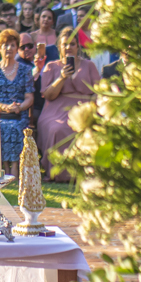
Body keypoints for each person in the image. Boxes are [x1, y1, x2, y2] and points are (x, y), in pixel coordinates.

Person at [35, 27, 100, 182]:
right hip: (56, 108)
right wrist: (62, 77)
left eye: (72, 44)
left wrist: (93, 104)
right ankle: (57, 173)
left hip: (84, 106)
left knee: (87, 128)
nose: (68, 47)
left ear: (78, 46)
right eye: (65, 44)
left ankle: (84, 173)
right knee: (57, 128)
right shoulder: (51, 66)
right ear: (59, 47)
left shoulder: (89, 65)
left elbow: (98, 90)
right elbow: (48, 95)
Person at [0, 29, 34, 174]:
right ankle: (5, 168)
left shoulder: (25, 70)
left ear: (16, 48)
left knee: (16, 127)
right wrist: (6, 107)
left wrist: (19, 107)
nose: (9, 49)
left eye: (12, 45)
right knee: (2, 127)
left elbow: (29, 97)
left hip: (20, 113)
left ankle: (15, 167)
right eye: (5, 45)